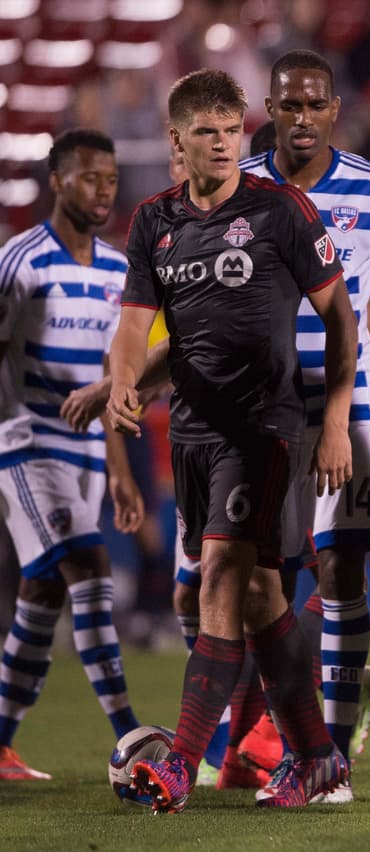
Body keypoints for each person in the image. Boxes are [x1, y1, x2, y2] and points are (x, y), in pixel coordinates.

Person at [109, 68, 356, 813]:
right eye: (206, 133)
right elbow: (134, 329)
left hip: (267, 429)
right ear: (176, 140)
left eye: (231, 131)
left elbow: (339, 316)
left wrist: (337, 415)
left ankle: (182, 762)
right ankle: (318, 756)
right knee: (257, 596)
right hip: (192, 434)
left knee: (220, 573)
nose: (222, 145)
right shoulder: (154, 221)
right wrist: (124, 381)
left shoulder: (280, 211)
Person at [233, 48, 370, 803]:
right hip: (254, 414)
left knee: (340, 572)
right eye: (288, 105)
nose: (301, 118)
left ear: (336, 110)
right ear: (268, 109)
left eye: (315, 105)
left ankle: (329, 757)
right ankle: (272, 739)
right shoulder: (240, 186)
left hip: (348, 409)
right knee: (257, 585)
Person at [0, 128, 144, 781]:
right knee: (88, 567)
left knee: (42, 597)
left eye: (110, 179)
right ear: (57, 181)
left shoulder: (119, 270)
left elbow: (113, 378)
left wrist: (118, 472)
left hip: (86, 452)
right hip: (25, 442)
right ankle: (130, 735)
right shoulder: (21, 259)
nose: (103, 189)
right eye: (89, 177)